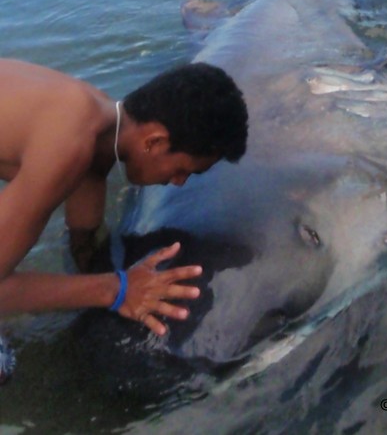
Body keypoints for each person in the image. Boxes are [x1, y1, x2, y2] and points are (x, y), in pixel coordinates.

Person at [0, 60, 248, 345]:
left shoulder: (97, 126)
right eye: (183, 170)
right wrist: (118, 289)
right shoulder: (69, 143)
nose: (179, 182)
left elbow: (84, 238)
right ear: (154, 142)